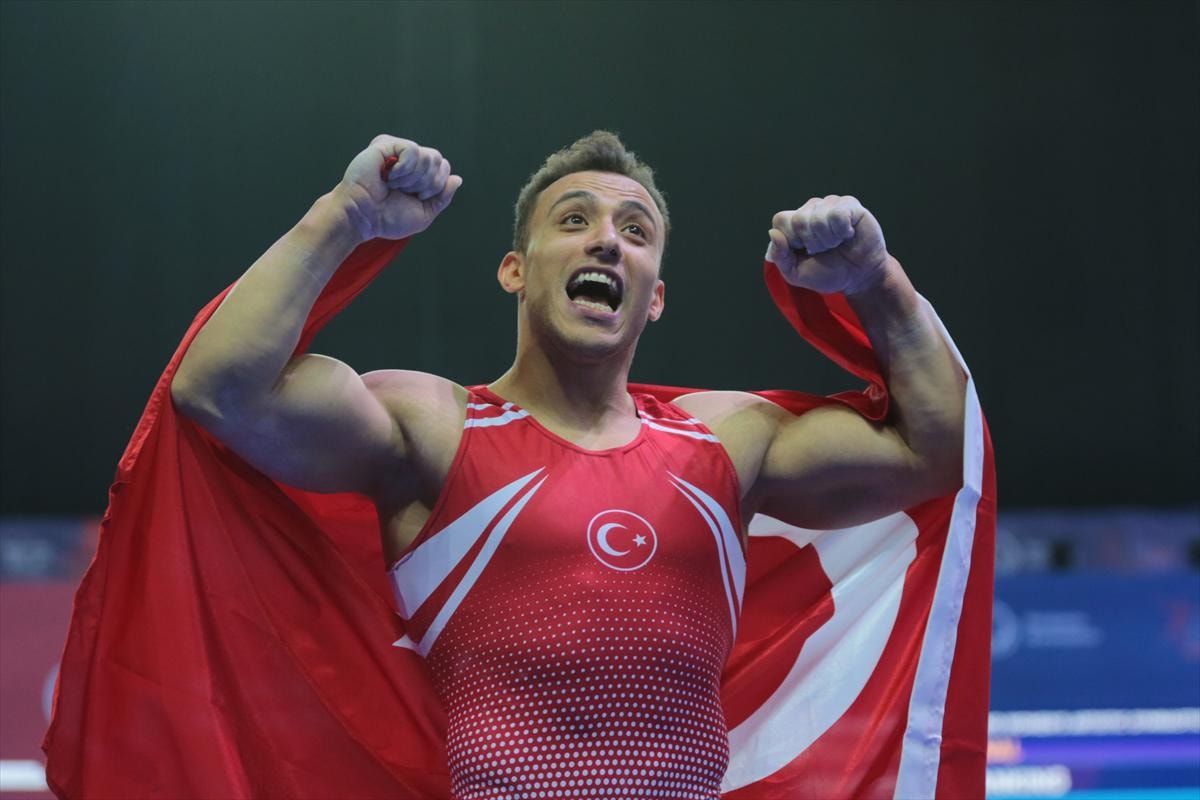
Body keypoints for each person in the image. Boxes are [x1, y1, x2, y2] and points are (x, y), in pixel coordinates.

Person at [167, 131, 967, 800]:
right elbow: (217, 389)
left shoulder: (726, 441)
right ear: (515, 270)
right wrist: (345, 216)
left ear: (656, 297)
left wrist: (875, 280)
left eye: (635, 231)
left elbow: (935, 455)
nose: (607, 241)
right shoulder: (436, 429)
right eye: (575, 219)